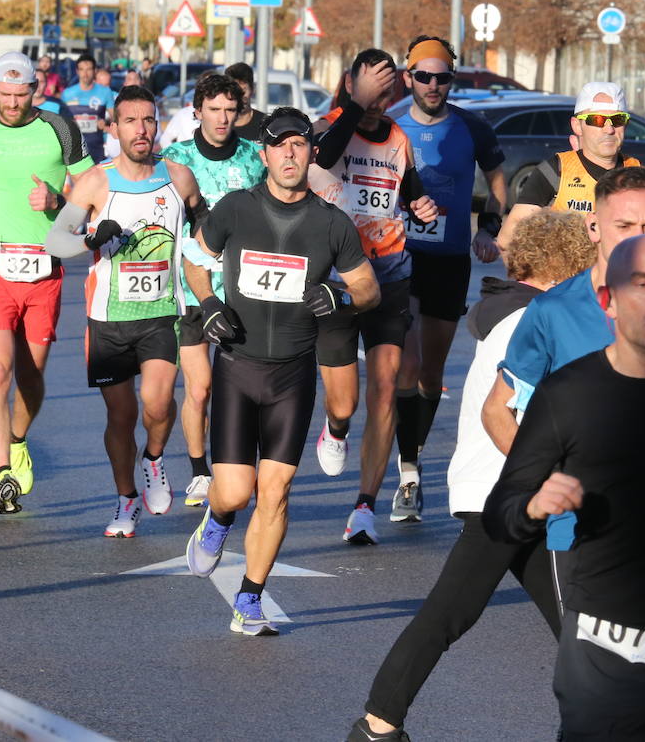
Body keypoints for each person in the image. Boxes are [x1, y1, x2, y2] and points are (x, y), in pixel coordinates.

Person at [481, 234, 645, 742]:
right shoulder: (569, 393)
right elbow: (500, 512)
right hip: (606, 654)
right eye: (640, 285)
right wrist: (533, 506)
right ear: (608, 301)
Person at [349, 211, 593, 742]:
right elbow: (512, 415)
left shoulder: (519, 313)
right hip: (509, 495)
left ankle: (377, 727)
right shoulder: (532, 320)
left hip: (506, 492)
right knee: (567, 625)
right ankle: (376, 726)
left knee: (571, 624)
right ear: (563, 268)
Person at [480, 166, 645, 628]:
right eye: (625, 226)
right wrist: (542, 479)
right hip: (585, 535)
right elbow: (498, 409)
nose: (640, 239)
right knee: (598, 669)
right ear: (593, 227)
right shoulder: (554, 311)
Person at [183, 108, 380, 636]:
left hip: (292, 375)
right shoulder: (235, 208)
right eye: (279, 145)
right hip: (238, 367)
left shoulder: (332, 223)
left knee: (276, 491)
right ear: (265, 154)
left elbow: (368, 288)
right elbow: (194, 260)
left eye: (299, 145)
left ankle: (250, 597)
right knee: (234, 492)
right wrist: (209, 305)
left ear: (312, 152)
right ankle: (218, 520)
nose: (289, 154)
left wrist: (339, 295)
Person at [0, 52, 95, 514]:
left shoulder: (59, 129)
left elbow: (92, 187)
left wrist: (58, 199)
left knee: (30, 376)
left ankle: (18, 438)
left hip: (44, 268)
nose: (11, 103)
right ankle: (2, 472)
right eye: (3, 94)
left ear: (35, 89)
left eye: (20, 94)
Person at [45, 86, 204, 535]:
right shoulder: (96, 181)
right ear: (113, 128)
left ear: (158, 124)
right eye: (131, 121)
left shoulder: (179, 176)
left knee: (157, 402)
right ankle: (126, 498)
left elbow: (203, 221)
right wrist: (90, 239)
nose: (141, 129)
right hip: (108, 318)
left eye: (149, 120)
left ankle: (153, 458)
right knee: (120, 416)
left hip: (161, 312)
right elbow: (56, 240)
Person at [304, 50, 441, 544]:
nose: (379, 102)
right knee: (345, 402)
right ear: (351, 84)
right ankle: (337, 427)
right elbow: (320, 159)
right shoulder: (329, 128)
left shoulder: (400, 140)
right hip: (339, 278)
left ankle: (365, 506)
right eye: (371, 90)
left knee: (386, 388)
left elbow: (409, 193)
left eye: (387, 92)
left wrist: (420, 205)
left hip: (390, 273)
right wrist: (354, 103)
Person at [390, 35, 508, 527]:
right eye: (424, 76)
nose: (433, 85)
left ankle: (413, 452)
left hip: (449, 260)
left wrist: (489, 228)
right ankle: (407, 473)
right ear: (408, 78)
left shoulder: (471, 127)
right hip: (400, 257)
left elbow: (498, 180)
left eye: (442, 78)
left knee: (431, 373)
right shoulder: (390, 124)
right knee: (408, 363)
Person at [160, 73, 268, 506]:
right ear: (197, 112)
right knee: (200, 388)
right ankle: (199, 472)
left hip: (243, 289)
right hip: (191, 288)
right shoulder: (176, 158)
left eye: (230, 110)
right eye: (214, 110)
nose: (223, 118)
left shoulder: (254, 157)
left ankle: (236, 466)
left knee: (241, 389)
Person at [497, 80, 643, 246]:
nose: (609, 129)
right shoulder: (555, 171)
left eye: (618, 120)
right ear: (577, 126)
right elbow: (507, 239)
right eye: (597, 120)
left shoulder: (638, 174)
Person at [59, 52, 117, 163]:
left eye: (89, 69)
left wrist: (105, 125)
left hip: (97, 149)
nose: (85, 74)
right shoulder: (67, 93)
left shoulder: (105, 92)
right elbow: (60, 123)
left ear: (95, 71)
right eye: (82, 69)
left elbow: (116, 120)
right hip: (73, 150)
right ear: (77, 71)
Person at [225, 62, 268, 141]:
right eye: (235, 91)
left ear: (252, 90)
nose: (239, 97)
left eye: (243, 91)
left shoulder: (266, 124)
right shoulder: (220, 124)